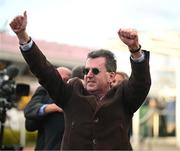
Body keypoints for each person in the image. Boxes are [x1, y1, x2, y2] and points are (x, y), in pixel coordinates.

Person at [10, 11, 151, 150]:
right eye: (86, 70)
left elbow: (141, 83)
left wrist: (135, 50)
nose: (89, 74)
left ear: (111, 76)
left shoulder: (123, 96)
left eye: (95, 71)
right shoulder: (72, 92)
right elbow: (45, 72)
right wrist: (23, 37)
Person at [24, 67, 72, 150]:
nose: (61, 82)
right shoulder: (44, 91)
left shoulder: (75, 97)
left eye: (65, 80)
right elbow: (29, 120)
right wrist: (52, 107)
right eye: (58, 78)